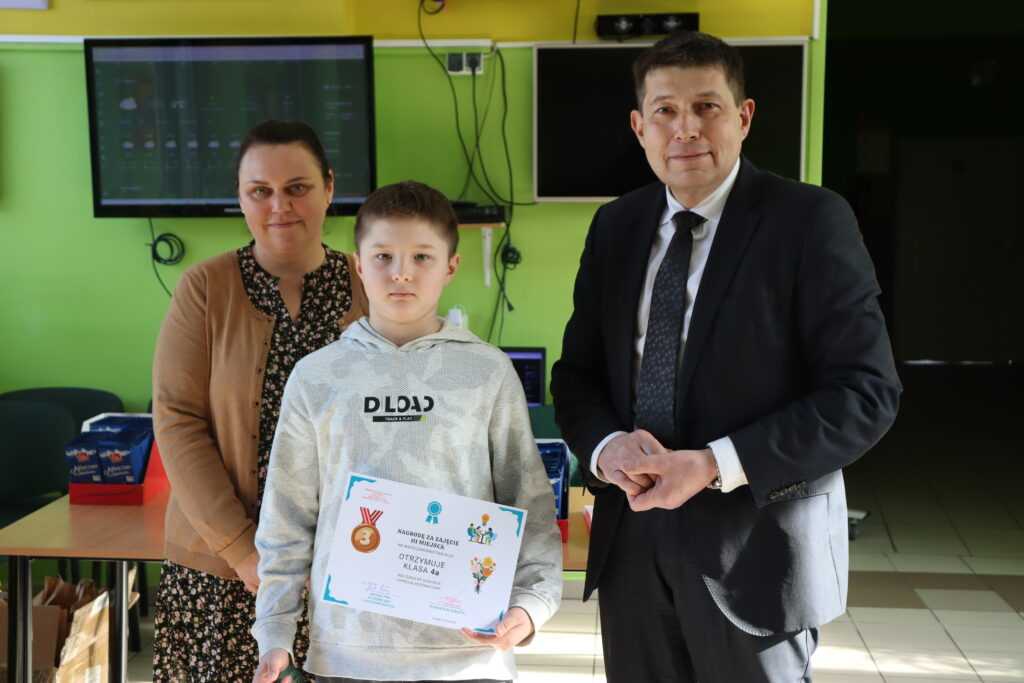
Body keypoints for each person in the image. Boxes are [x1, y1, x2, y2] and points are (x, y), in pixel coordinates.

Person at [550, 31, 902, 682]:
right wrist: (605, 448)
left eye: (706, 106)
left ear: (743, 117)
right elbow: (577, 376)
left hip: (759, 555)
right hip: (634, 552)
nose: (685, 128)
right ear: (640, 127)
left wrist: (715, 464)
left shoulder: (810, 221)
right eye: (665, 110)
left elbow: (865, 394)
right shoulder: (616, 227)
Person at [250, 181, 562, 683]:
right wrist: (275, 632)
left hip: (469, 654)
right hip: (347, 654)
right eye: (383, 256)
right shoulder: (317, 376)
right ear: (358, 265)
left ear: (450, 267)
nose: (401, 272)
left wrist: (531, 605)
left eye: (421, 257)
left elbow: (528, 501)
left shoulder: (487, 372)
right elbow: (287, 516)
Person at [151, 119, 369, 682]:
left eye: (297, 188)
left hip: (346, 569)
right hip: (221, 571)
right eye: (260, 191)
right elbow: (177, 422)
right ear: (241, 198)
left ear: (329, 187)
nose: (279, 206)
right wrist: (244, 553)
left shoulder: (370, 284)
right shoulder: (204, 288)